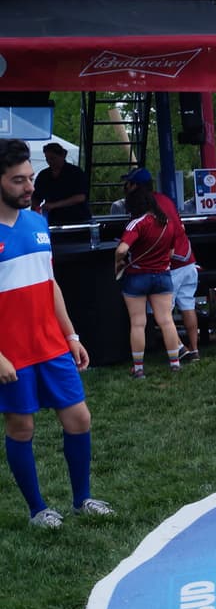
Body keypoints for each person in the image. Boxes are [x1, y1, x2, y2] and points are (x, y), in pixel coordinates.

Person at [0, 139, 113, 528]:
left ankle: (82, 500)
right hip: (11, 351)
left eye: (30, 178)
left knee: (79, 418)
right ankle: (37, 510)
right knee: (22, 426)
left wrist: (71, 335)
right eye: (18, 180)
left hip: (51, 344)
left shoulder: (37, 222)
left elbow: (50, 284)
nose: (29, 187)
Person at [115, 188, 184, 379]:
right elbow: (171, 253)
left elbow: (122, 249)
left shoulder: (137, 223)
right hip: (162, 275)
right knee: (166, 320)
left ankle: (138, 369)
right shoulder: (167, 223)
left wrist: (117, 262)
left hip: (137, 276)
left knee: (138, 323)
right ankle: (175, 363)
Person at [32, 142, 91, 225]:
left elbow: (80, 197)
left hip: (77, 219)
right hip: (53, 220)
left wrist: (54, 205)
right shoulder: (43, 175)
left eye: (53, 158)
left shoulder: (76, 173)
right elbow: (36, 198)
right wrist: (34, 214)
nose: (49, 161)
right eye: (47, 159)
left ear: (62, 156)